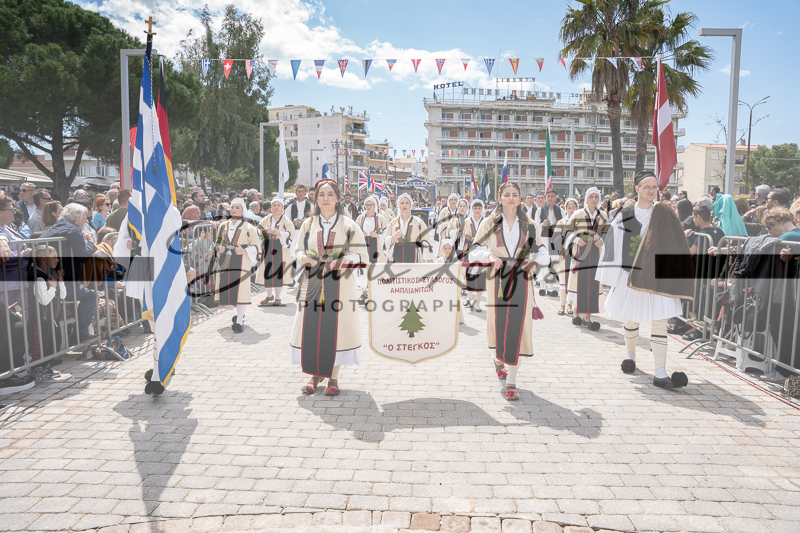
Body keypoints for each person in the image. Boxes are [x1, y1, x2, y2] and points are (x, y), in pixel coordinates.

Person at [597, 170, 694, 389]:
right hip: (631, 275)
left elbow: (674, 243)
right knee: (631, 320)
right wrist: (613, 279)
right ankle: (630, 357)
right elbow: (615, 247)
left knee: (659, 321)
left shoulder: (664, 213)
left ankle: (660, 372)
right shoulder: (625, 214)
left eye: (654, 187)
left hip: (657, 276)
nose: (651, 191)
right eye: (647, 187)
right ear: (637, 189)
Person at [468, 181, 550, 401]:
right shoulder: (490, 222)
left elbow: (542, 251)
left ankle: (511, 382)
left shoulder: (529, 225)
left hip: (522, 277)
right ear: (500, 198)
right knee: (498, 324)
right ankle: (498, 358)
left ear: (520, 198)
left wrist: (535, 262)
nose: (511, 198)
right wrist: (489, 255)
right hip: (498, 278)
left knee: (518, 325)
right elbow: (474, 249)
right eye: (507, 194)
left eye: (515, 194)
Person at [291, 179, 367, 396]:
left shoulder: (349, 225)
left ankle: (333, 377)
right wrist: (303, 257)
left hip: (340, 282)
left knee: (337, 328)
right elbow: (298, 250)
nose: (325, 198)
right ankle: (315, 375)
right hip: (313, 280)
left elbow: (361, 255)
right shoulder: (308, 224)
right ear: (315, 198)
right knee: (313, 327)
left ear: (338, 198)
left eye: (330, 194)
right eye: (321, 194)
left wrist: (344, 259)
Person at [41, 203, 98, 345]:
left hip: (47, 281)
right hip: (60, 284)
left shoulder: (55, 227)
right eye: (84, 218)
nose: (86, 221)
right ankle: (79, 334)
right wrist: (90, 241)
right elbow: (83, 256)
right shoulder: (73, 230)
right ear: (76, 219)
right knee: (90, 296)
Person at [565, 187, 609, 331]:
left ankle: (588, 317)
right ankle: (576, 313)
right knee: (579, 283)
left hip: (595, 252)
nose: (594, 200)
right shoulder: (578, 213)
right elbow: (567, 231)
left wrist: (602, 240)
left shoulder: (603, 215)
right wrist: (576, 239)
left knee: (592, 284)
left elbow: (607, 232)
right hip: (580, 252)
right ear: (586, 198)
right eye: (591, 197)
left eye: (596, 197)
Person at [214, 199, 260, 333]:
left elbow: (257, 246)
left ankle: (239, 321)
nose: (234, 209)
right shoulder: (223, 226)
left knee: (241, 289)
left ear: (242, 210)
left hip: (241, 261)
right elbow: (217, 242)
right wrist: (219, 248)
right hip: (225, 261)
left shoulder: (249, 227)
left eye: (237, 207)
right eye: (232, 207)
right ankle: (240, 315)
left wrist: (245, 251)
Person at [256, 197, 295, 307]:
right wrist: (265, 232)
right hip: (267, 247)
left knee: (278, 273)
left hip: (280, 248)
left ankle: (278, 297)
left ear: (282, 207)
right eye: (274, 205)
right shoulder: (266, 219)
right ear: (271, 207)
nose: (276, 207)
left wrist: (280, 233)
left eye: (278, 205)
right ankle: (269, 295)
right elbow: (257, 230)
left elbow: (291, 233)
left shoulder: (287, 221)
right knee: (267, 271)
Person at [355, 195, 388, 304]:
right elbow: (354, 232)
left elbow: (386, 233)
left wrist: (378, 235)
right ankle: (364, 293)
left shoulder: (381, 218)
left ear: (375, 206)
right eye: (367, 205)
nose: (368, 207)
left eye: (371, 205)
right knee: (363, 269)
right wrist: (361, 234)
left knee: (375, 269)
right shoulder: (360, 218)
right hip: (364, 246)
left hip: (376, 247)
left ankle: (375, 293)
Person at [384, 194, 433, 263]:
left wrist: (429, 258)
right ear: (399, 205)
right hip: (396, 255)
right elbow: (385, 241)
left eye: (407, 203)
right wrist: (393, 237)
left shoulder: (418, 222)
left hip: (414, 256)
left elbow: (426, 239)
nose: (404, 205)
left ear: (410, 206)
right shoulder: (392, 223)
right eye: (402, 203)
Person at [552, 197, 579, 316]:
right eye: (569, 208)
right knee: (563, 280)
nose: (571, 210)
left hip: (576, 255)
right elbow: (555, 238)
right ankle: (562, 305)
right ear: (566, 209)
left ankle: (570, 305)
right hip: (564, 254)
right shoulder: (562, 222)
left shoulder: (580, 223)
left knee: (573, 280)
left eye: (574, 208)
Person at [537, 189, 564, 297]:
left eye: (552, 196)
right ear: (546, 197)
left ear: (555, 197)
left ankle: (551, 287)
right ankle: (542, 285)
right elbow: (535, 226)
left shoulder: (560, 210)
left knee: (553, 262)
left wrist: (559, 224)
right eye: (548, 196)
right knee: (543, 262)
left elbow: (565, 225)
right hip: (544, 238)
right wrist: (542, 225)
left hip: (555, 239)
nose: (550, 198)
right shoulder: (540, 210)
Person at [460, 199, 486, 312]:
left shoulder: (485, 221)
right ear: (472, 209)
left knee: (480, 274)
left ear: (482, 209)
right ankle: (469, 297)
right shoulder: (467, 220)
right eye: (475, 208)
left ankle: (478, 302)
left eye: (479, 208)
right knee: (469, 274)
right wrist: (463, 235)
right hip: (469, 249)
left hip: (481, 249)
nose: (477, 210)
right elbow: (461, 234)